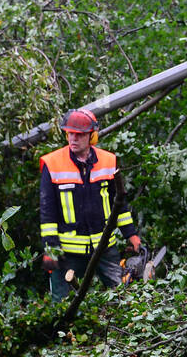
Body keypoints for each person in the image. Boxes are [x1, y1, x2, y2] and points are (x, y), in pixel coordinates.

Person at [38, 109, 142, 299]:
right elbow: (47, 213)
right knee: (62, 304)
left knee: (123, 297)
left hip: (104, 246)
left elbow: (119, 204)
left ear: (91, 136)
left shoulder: (108, 161)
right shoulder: (52, 164)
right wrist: (50, 250)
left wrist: (131, 234)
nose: (73, 139)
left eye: (79, 135)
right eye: (70, 134)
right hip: (68, 251)